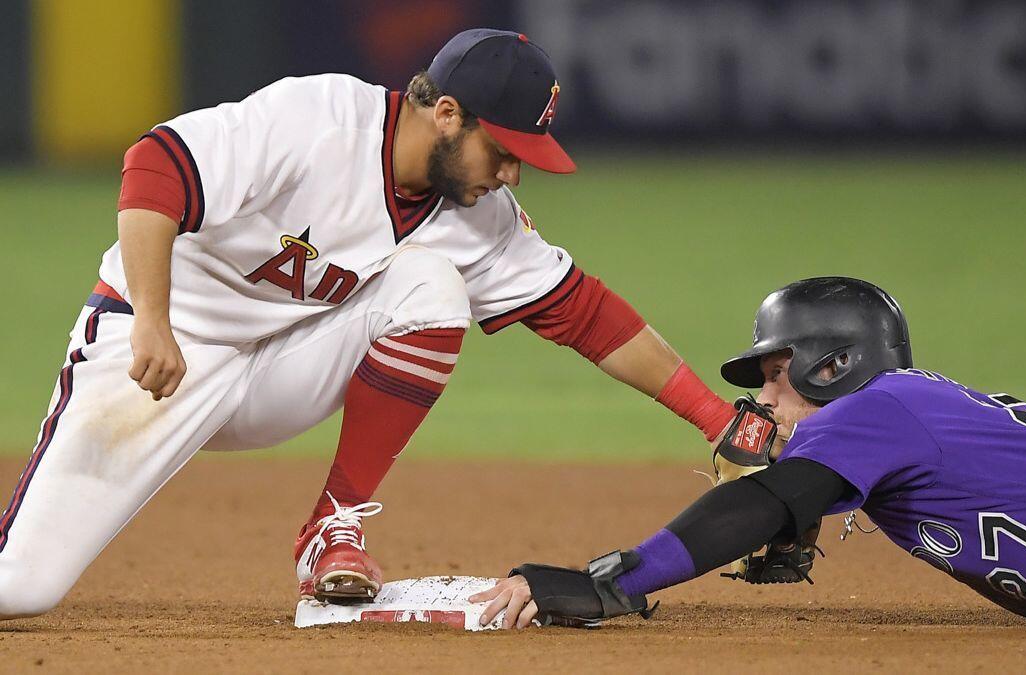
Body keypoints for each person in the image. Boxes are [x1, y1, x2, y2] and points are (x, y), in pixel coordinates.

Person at [0, 29, 740, 618]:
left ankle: (333, 526)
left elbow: (583, 312)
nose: (512, 174)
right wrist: (153, 320)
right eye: (506, 152)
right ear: (447, 114)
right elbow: (154, 164)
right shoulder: (317, 120)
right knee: (21, 586)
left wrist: (717, 422)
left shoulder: (476, 216)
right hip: (155, 357)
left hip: (278, 365)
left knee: (431, 289)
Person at [473, 277, 1026, 629]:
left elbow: (758, 502)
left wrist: (614, 579)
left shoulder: (874, 408)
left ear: (833, 364)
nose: (762, 396)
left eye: (773, 370)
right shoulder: (921, 406)